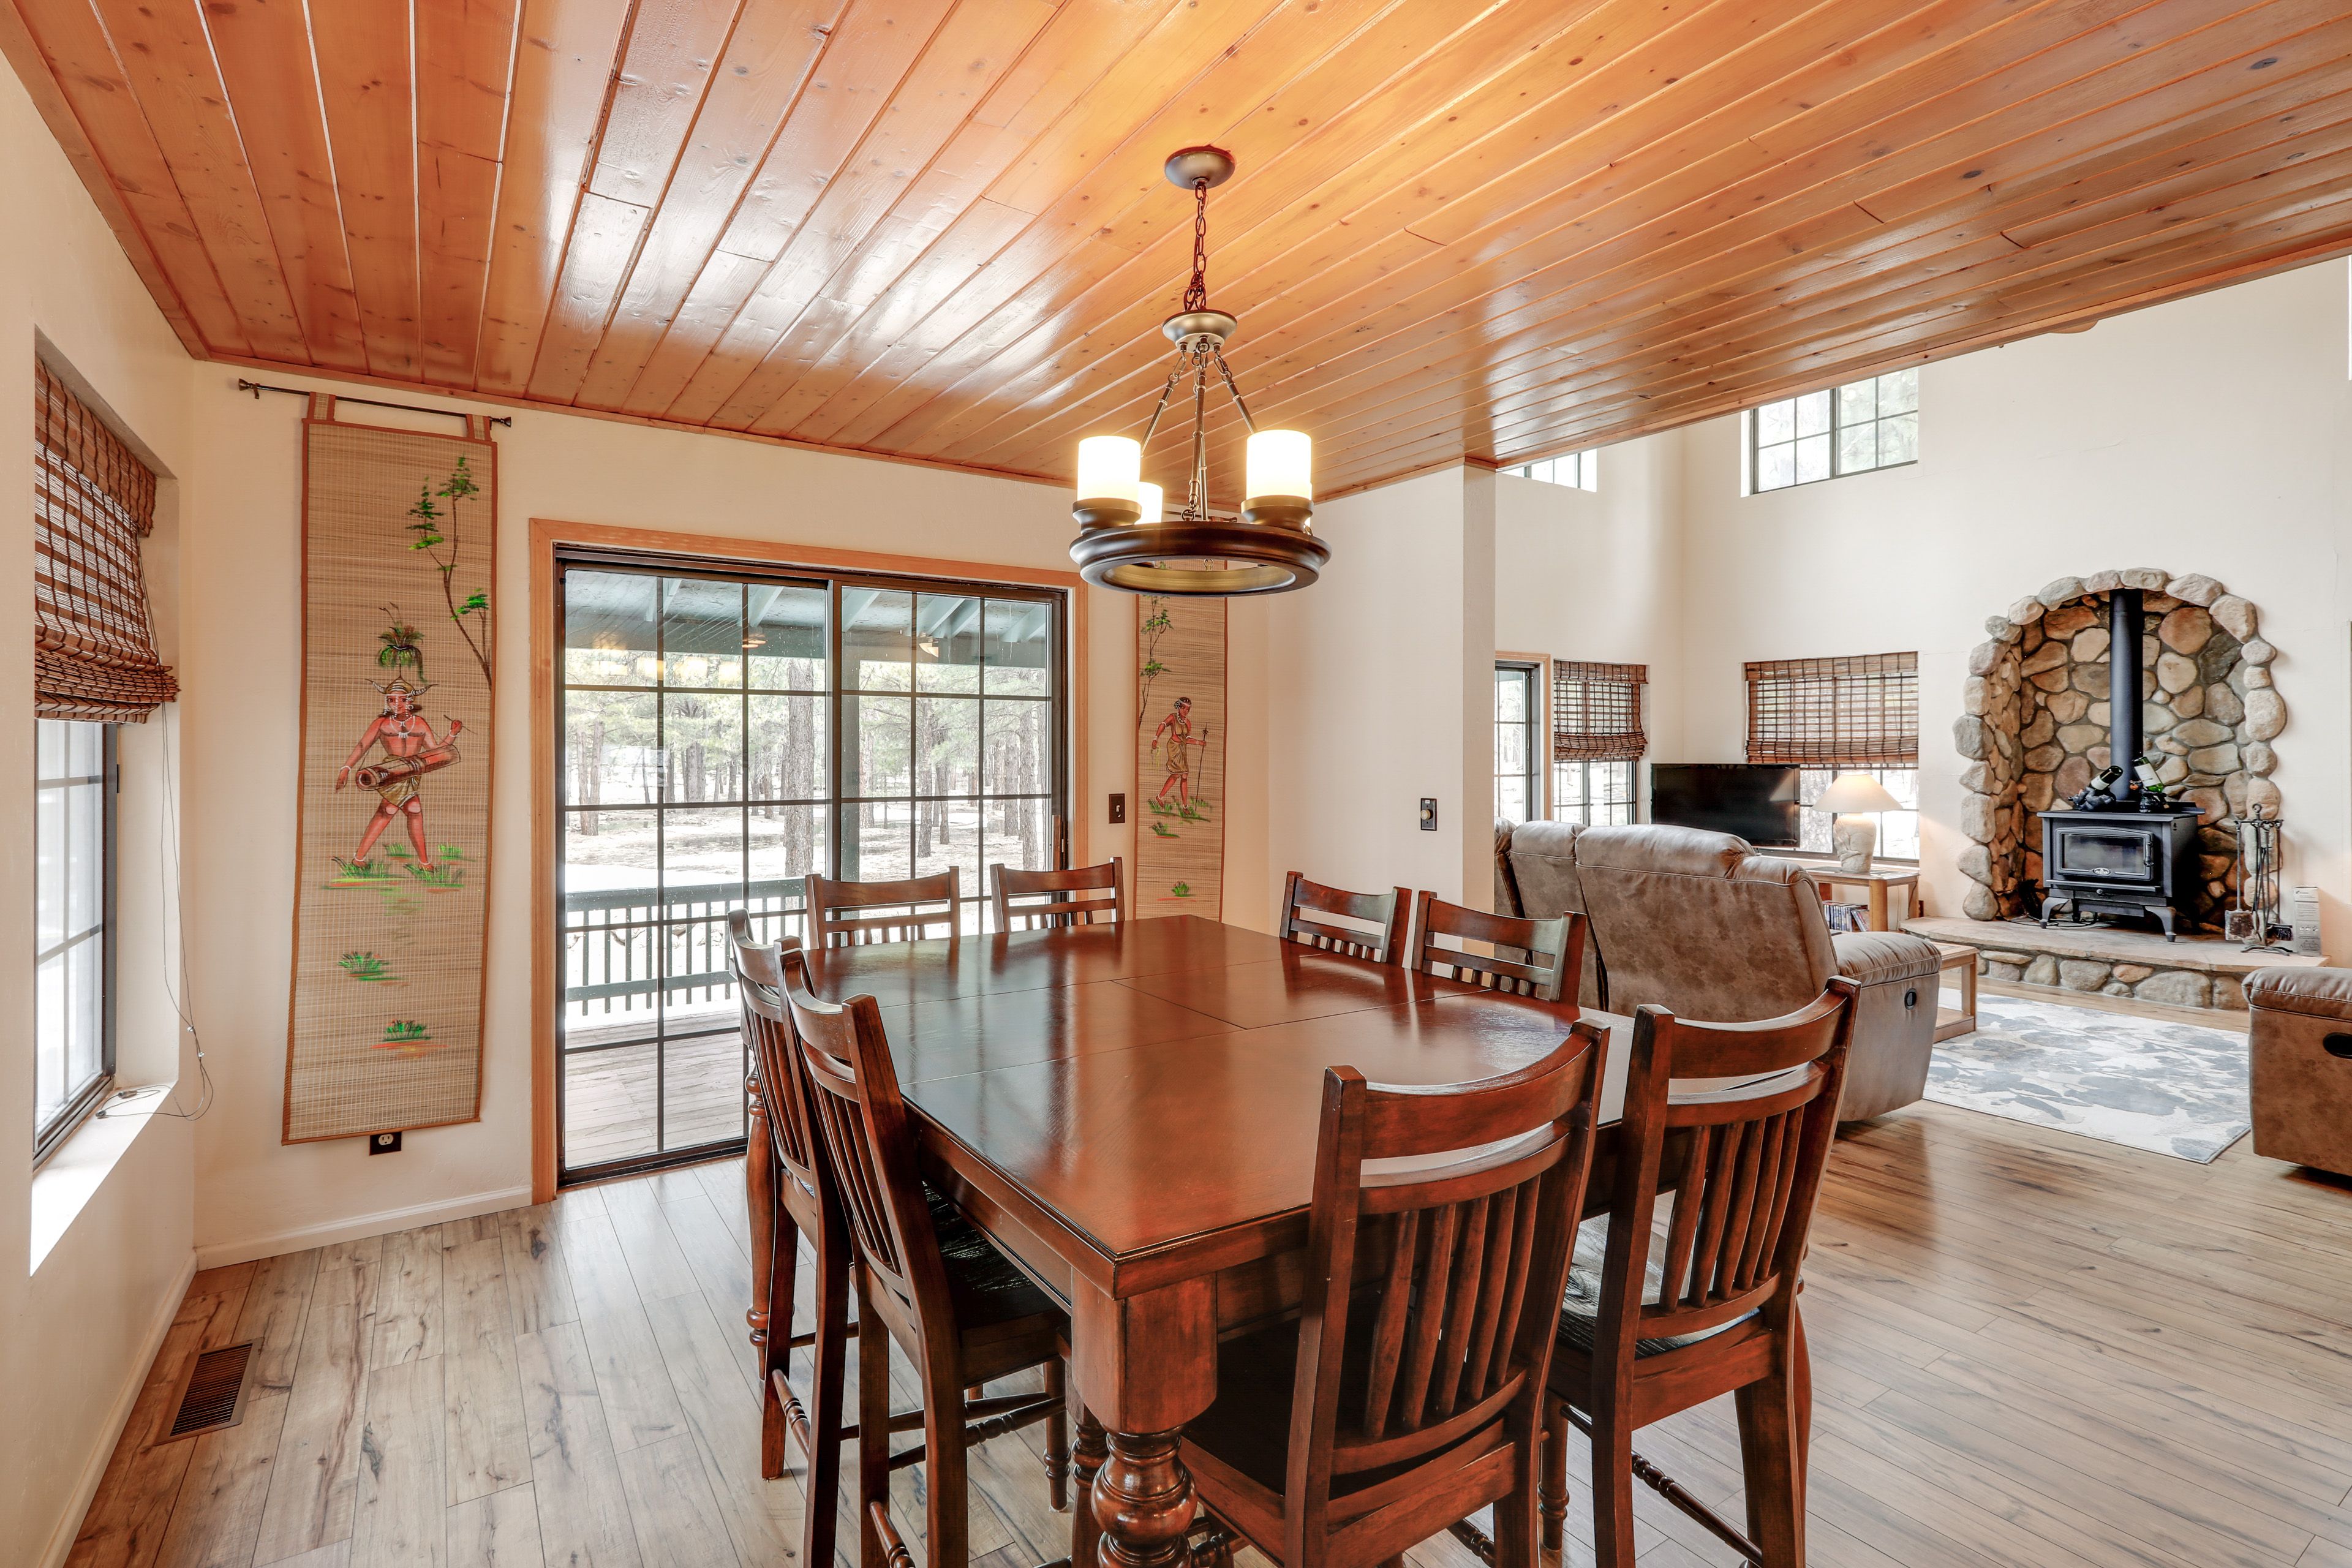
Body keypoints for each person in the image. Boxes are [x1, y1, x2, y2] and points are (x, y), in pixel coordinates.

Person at [336, 679, 463, 869]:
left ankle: (361, 859)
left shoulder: (419, 723)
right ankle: (422, 863)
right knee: (401, 811)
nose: (396, 704)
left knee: (398, 811)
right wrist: (346, 768)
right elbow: (362, 746)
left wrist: (452, 734)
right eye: (391, 700)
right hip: (390, 773)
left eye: (401, 700)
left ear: (410, 701)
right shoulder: (382, 723)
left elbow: (434, 751)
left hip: (412, 772)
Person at [1150, 695, 1208, 815]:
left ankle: (1179, 804)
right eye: (1184, 708)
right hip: (1173, 747)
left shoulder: (1188, 723)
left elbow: (1187, 739)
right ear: (1179, 707)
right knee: (1179, 775)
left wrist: (1199, 742)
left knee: (1181, 776)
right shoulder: (1173, 717)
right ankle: (1176, 803)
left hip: (1182, 749)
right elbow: (1162, 725)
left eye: (1188, 709)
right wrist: (1156, 738)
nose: (1186, 711)